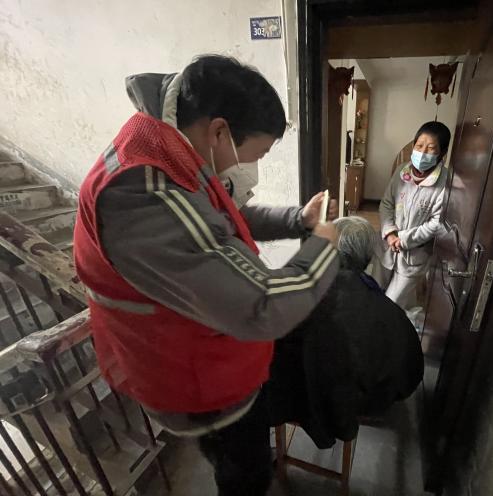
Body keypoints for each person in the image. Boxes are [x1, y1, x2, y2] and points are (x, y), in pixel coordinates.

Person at [73, 55, 340, 496]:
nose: (253, 166)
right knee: (244, 473)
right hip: (199, 383)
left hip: (212, 357)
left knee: (247, 457)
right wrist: (325, 246)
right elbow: (266, 304)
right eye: (258, 154)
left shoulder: (169, 151)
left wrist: (298, 220)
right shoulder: (145, 194)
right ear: (219, 132)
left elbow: (219, 220)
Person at [266, 216, 423, 448]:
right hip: (364, 401)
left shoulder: (297, 296)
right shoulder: (385, 308)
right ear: (367, 258)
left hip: (299, 393)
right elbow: (409, 370)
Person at [379, 121, 451, 310]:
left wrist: (403, 239)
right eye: (419, 146)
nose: (422, 152)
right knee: (375, 291)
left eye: (431, 149)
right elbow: (386, 203)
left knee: (391, 305)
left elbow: (437, 223)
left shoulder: (446, 183)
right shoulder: (402, 171)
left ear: (442, 153)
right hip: (387, 247)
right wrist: (390, 233)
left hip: (413, 256)